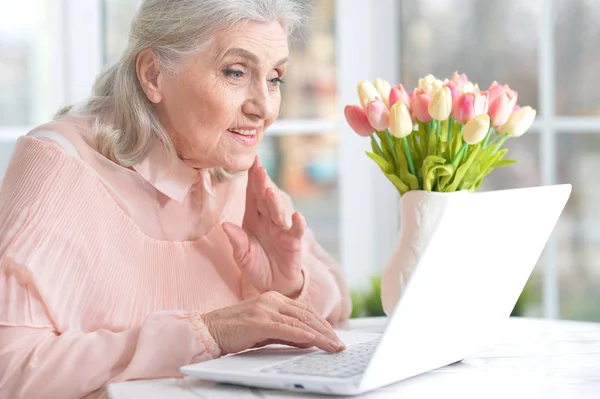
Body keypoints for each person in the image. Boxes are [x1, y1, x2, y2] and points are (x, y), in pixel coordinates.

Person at [0, 1, 352, 397]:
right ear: (154, 74)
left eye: (274, 78)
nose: (265, 109)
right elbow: (10, 371)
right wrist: (208, 332)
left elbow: (339, 306)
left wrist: (289, 284)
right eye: (235, 72)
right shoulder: (58, 165)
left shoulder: (235, 171)